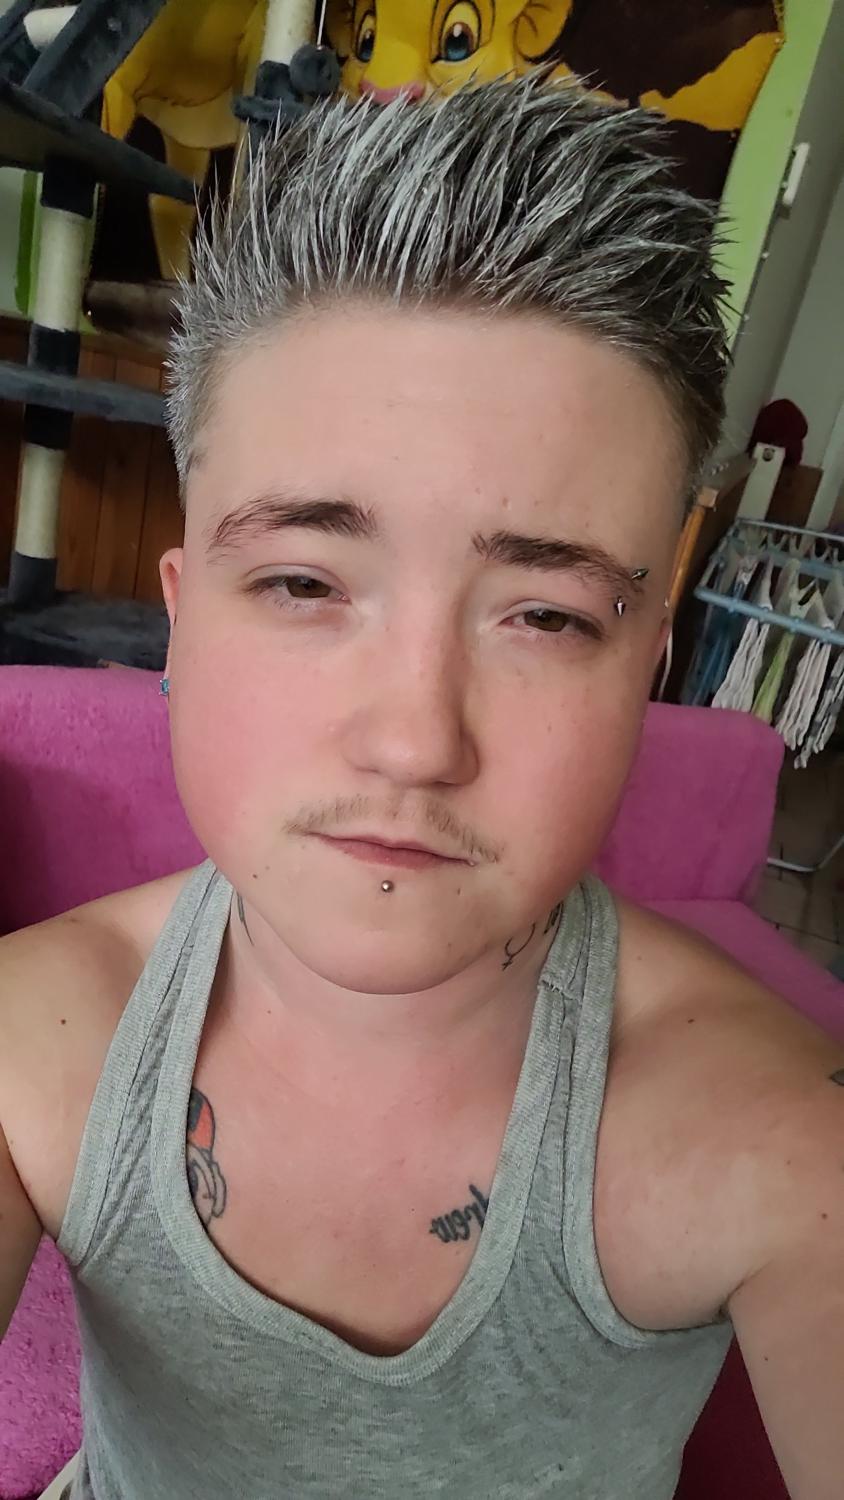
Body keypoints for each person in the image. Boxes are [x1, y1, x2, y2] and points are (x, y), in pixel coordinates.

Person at [1, 77, 842, 1500]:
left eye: (546, 615)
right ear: (181, 618)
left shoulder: (771, 1135)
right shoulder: (35, 1040)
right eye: (303, 584)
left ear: (652, 647)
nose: (413, 742)